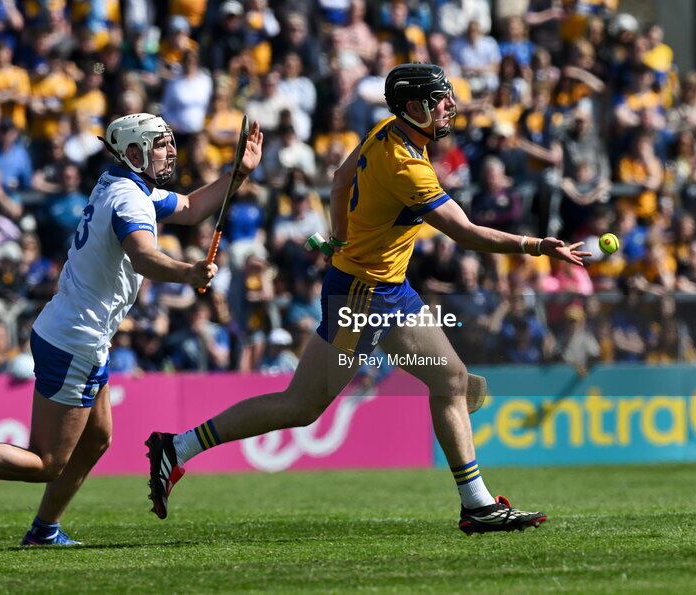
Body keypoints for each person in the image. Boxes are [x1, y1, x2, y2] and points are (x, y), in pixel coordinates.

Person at [147, 64, 589, 534]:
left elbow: (339, 180)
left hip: (388, 289)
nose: (451, 106)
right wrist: (535, 246)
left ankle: (477, 505)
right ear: (414, 108)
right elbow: (466, 233)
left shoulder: (388, 131)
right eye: (440, 99)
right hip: (362, 296)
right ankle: (180, 447)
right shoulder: (407, 166)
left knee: (452, 380)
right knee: (302, 406)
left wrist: (340, 236)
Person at [0, 113, 264, 546]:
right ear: (134, 153)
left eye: (170, 142)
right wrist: (188, 273)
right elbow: (142, 256)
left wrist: (239, 173)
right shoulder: (128, 200)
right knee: (46, 462)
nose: (171, 151)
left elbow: (194, 208)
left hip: (75, 333)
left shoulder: (122, 185)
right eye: (160, 145)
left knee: (97, 439)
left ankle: (45, 530)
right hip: (75, 341)